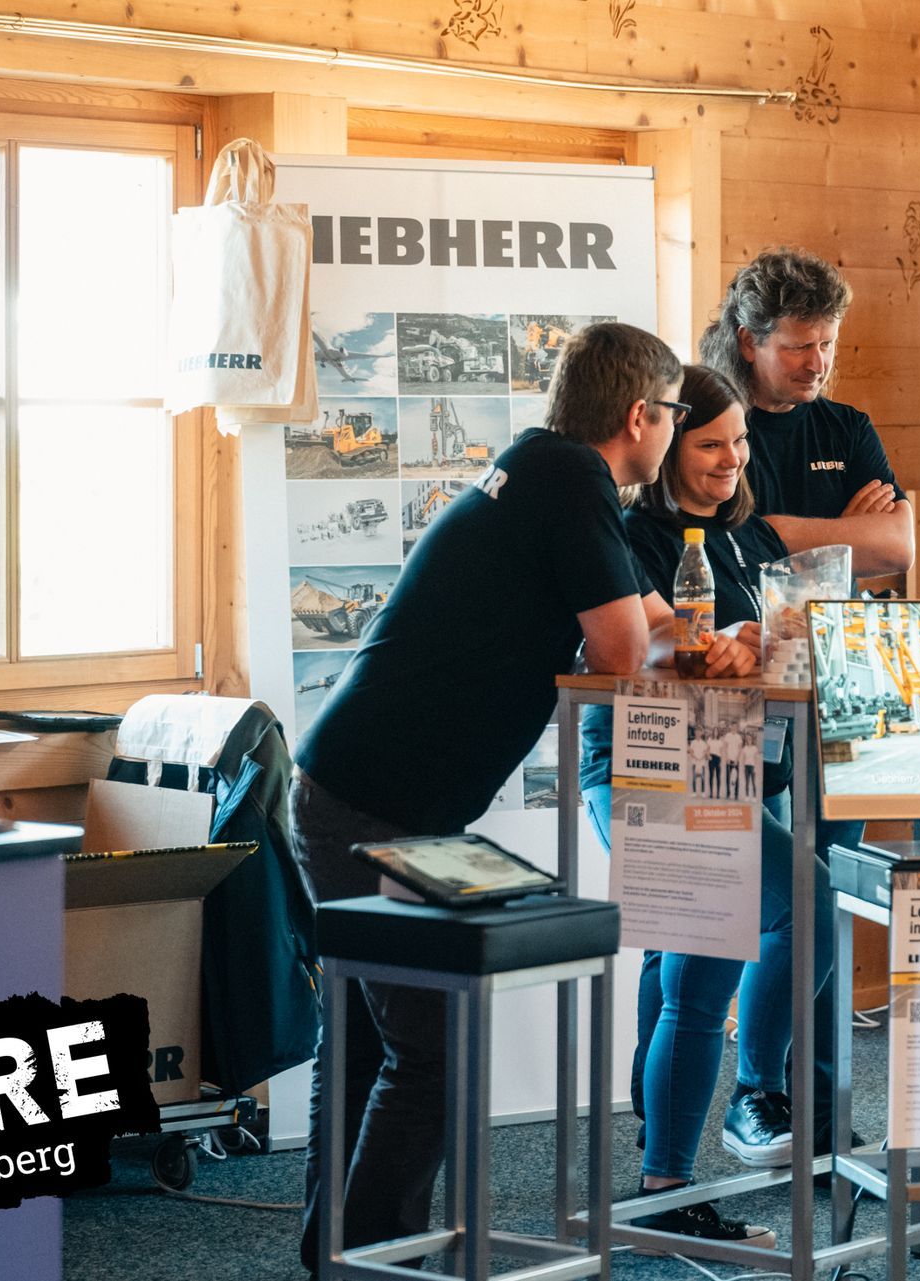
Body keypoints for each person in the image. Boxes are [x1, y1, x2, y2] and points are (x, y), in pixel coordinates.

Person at [289, 321, 679, 1274]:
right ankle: (379, 1260)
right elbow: (626, 651)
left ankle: (335, 1254)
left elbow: (634, 616)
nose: (672, 433)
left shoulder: (540, 471)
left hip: (356, 788)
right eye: (675, 415)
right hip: (375, 805)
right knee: (428, 1051)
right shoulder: (572, 480)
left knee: (371, 1042)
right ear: (639, 415)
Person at [578, 363, 802, 1247]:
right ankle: (676, 1168)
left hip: (726, 765)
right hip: (641, 768)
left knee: (771, 924)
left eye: (741, 442)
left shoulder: (745, 537)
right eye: (712, 443)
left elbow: (771, 645)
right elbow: (658, 650)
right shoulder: (628, 530)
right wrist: (728, 646)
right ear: (668, 441)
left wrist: (766, 642)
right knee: (713, 954)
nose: (733, 459)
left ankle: (703, 1137)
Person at [701, 246, 915, 1159]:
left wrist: (792, 532)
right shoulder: (710, 427)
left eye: (827, 343)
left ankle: (813, 1103)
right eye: (799, 345)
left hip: (833, 701)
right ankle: (732, 1095)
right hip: (728, 703)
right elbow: (742, 548)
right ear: (749, 341)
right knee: (719, 917)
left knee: (821, 902)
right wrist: (836, 536)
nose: (818, 361)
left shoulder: (848, 423)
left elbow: (899, 544)